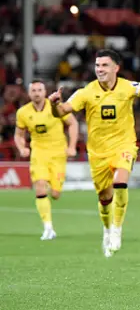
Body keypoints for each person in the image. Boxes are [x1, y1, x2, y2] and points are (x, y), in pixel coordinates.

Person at [48, 49, 140, 257]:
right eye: (97, 65)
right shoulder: (86, 92)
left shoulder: (127, 86)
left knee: (120, 182)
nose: (99, 69)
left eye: (104, 65)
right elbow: (62, 112)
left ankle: (117, 229)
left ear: (116, 68)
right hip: (98, 153)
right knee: (104, 198)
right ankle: (107, 229)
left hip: (124, 145)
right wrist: (53, 103)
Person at [14, 80, 79, 240]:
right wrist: (22, 148)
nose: (36, 93)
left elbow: (72, 123)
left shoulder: (55, 107)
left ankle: (52, 187)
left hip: (58, 154)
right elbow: (19, 134)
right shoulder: (23, 112)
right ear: (29, 94)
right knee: (40, 187)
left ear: (44, 92)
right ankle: (48, 228)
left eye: (39, 90)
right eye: (33, 90)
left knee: (55, 194)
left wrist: (72, 146)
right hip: (38, 154)